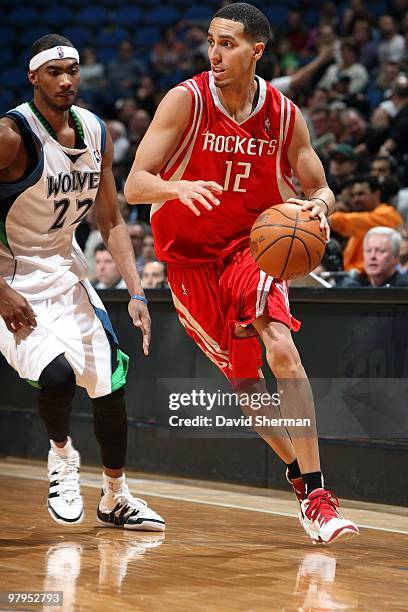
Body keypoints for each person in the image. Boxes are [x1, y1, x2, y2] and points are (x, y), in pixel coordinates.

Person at [125, 3, 358, 544]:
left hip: (250, 247)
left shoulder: (283, 114)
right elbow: (135, 183)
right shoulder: (185, 100)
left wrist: (319, 206)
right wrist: (175, 188)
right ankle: (302, 481)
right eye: (211, 41)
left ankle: (318, 494)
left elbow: (319, 185)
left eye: (227, 43)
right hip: (188, 260)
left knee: (281, 346)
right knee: (247, 384)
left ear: (257, 50)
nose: (215, 53)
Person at [0, 34, 164, 531]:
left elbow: (112, 220)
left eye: (72, 70)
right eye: (54, 71)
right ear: (33, 78)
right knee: (56, 379)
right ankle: (61, 457)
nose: (66, 79)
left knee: (110, 386)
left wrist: (136, 292)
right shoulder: (11, 136)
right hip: (10, 279)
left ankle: (115, 495)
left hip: (65, 275)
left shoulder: (95, 131)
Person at [330, 175, 402, 272]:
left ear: (376, 194)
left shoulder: (387, 214)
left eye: (361, 194)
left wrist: (326, 220)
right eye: (353, 195)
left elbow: (343, 222)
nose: (356, 199)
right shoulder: (360, 222)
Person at [338, 227, 408, 287]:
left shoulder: (404, 288)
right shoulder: (353, 287)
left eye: (380, 251)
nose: (372, 256)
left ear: (396, 258)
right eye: (368, 251)